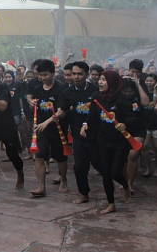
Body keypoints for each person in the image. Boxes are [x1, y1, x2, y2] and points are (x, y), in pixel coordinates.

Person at [82, 70, 134, 214]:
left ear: (112, 82)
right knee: (105, 173)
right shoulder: (96, 97)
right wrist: (85, 124)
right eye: (100, 79)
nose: (100, 82)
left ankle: (125, 186)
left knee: (115, 172)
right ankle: (111, 204)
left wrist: (125, 124)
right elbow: (91, 116)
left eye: (104, 80)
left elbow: (133, 118)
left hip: (120, 142)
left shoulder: (123, 100)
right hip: (103, 140)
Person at [58, 61, 100, 204]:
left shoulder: (95, 90)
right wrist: (51, 118)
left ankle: (117, 189)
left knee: (100, 164)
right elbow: (62, 111)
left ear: (86, 75)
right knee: (79, 166)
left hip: (96, 135)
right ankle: (84, 194)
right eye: (74, 74)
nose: (76, 77)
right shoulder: (68, 92)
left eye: (79, 74)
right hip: (78, 135)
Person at [30, 59, 68, 197]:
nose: (42, 78)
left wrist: (46, 123)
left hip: (58, 129)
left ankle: (63, 179)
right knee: (39, 157)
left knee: (60, 158)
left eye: (45, 75)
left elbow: (61, 112)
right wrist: (32, 103)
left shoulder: (61, 88)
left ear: (52, 73)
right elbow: (36, 106)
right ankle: (41, 187)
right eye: (40, 75)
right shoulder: (37, 89)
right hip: (41, 130)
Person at [120, 79, 146, 193]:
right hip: (123, 130)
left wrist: (138, 84)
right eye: (125, 91)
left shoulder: (138, 98)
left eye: (130, 91)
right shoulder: (119, 99)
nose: (127, 94)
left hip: (138, 130)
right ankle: (125, 181)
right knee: (123, 158)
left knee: (133, 155)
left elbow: (146, 102)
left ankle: (130, 183)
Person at [141, 73, 157, 177]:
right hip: (145, 124)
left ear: (156, 82)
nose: (148, 83)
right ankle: (148, 168)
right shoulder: (142, 92)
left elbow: (155, 106)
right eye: (147, 81)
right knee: (144, 147)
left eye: (151, 81)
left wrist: (155, 92)